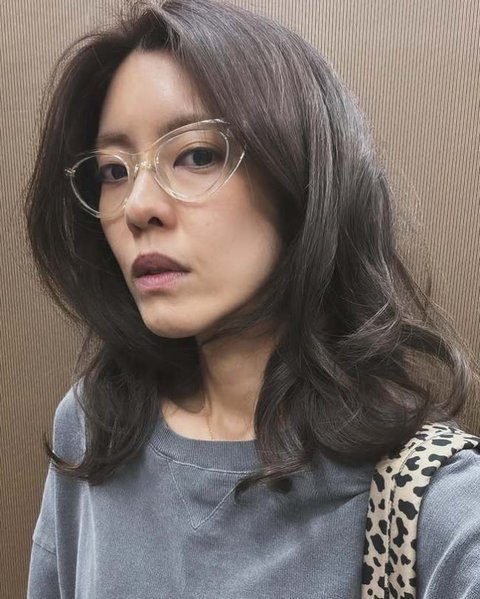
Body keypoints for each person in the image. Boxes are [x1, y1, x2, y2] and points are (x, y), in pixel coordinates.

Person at [25, 0, 480, 597]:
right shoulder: (95, 427)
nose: (137, 206)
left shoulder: (436, 505)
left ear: (303, 175)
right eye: (114, 171)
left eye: (196, 155)